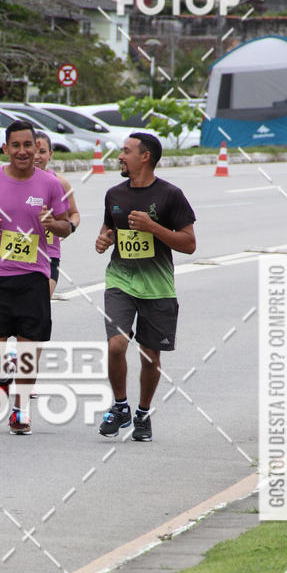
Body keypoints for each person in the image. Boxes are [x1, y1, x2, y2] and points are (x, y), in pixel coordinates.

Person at [0, 119, 71, 435]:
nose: (23, 151)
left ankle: (20, 410)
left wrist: (52, 224)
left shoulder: (51, 185)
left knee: (29, 352)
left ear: (36, 148)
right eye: (16, 145)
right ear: (6, 148)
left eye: (29, 145)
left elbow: (66, 226)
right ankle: (2, 375)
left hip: (34, 279)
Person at [95, 132, 196, 441]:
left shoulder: (170, 195)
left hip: (158, 286)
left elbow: (189, 244)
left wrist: (153, 227)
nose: (120, 157)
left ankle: (142, 413)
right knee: (116, 345)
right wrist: (103, 239)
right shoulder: (114, 194)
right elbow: (108, 227)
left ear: (145, 157)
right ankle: (121, 405)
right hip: (120, 280)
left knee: (150, 356)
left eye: (126, 151)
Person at [33, 131, 80, 297]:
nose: (37, 156)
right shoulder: (14, 181)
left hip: (48, 255)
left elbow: (74, 214)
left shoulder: (59, 182)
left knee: (38, 307)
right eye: (34, 150)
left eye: (43, 152)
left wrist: (68, 227)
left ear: (50, 154)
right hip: (18, 254)